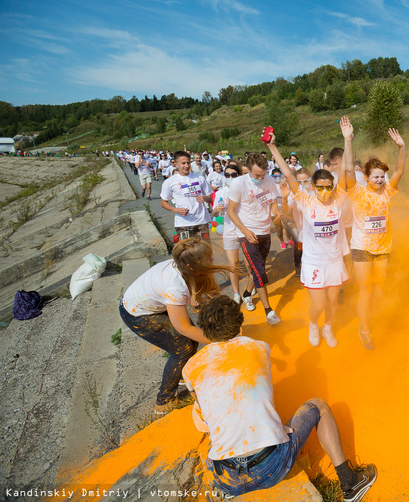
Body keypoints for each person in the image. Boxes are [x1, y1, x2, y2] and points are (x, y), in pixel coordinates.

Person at [182, 295, 378, 500]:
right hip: (271, 468)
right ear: (239, 327)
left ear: (204, 331)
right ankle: (350, 482)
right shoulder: (258, 347)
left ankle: (232, 491)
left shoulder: (190, 368)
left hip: (225, 478)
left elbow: (203, 411)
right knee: (319, 406)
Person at [119, 239, 232, 415]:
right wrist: (221, 340)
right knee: (183, 348)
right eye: (208, 259)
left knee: (192, 341)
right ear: (192, 266)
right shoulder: (175, 287)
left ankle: (180, 375)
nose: (212, 261)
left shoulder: (186, 265)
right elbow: (184, 328)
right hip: (137, 314)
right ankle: (164, 401)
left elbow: (211, 296)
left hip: (150, 304)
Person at [267, 131, 349, 348]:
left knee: (333, 301)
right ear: (313, 186)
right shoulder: (306, 200)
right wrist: (273, 148)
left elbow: (346, 170)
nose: (324, 191)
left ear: (333, 186)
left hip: (334, 260)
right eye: (319, 187)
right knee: (319, 303)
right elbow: (289, 176)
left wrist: (347, 141)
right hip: (313, 261)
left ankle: (328, 328)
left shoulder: (339, 199)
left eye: (328, 187)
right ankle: (314, 325)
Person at [341, 116, 406, 350]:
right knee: (366, 291)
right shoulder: (357, 193)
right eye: (375, 176)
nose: (379, 180)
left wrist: (401, 147)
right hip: (361, 248)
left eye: (382, 176)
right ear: (366, 178)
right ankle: (364, 329)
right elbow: (348, 169)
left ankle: (373, 318)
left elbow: (400, 169)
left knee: (379, 290)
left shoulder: (388, 191)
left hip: (383, 249)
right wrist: (348, 140)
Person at [227, 152, 283, 324]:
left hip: (265, 230)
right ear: (248, 170)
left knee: (257, 268)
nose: (260, 177)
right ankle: (269, 311)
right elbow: (230, 211)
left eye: (263, 174)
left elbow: (272, 200)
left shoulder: (270, 181)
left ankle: (246, 294)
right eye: (256, 175)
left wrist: (275, 211)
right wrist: (245, 231)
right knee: (259, 270)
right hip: (247, 233)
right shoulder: (238, 183)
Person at [160, 151, 212, 240]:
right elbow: (163, 202)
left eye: (188, 163)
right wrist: (175, 210)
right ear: (176, 164)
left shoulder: (199, 178)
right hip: (183, 222)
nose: (187, 166)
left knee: (204, 251)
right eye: (183, 163)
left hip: (201, 221)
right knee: (187, 251)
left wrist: (204, 198)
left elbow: (210, 199)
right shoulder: (169, 182)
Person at [212, 163, 243, 303]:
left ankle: (250, 286)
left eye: (234, 175)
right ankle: (236, 293)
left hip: (244, 230)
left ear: (239, 176)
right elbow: (214, 211)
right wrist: (216, 210)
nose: (230, 177)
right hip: (229, 231)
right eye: (227, 175)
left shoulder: (245, 190)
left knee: (249, 264)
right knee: (233, 264)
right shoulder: (220, 192)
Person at [271, 168, 294, 249]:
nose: (277, 177)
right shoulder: (270, 186)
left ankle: (289, 239)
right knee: (279, 228)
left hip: (284, 210)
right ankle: (282, 241)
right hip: (274, 212)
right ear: (271, 177)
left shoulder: (285, 184)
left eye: (279, 175)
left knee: (287, 226)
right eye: (274, 176)